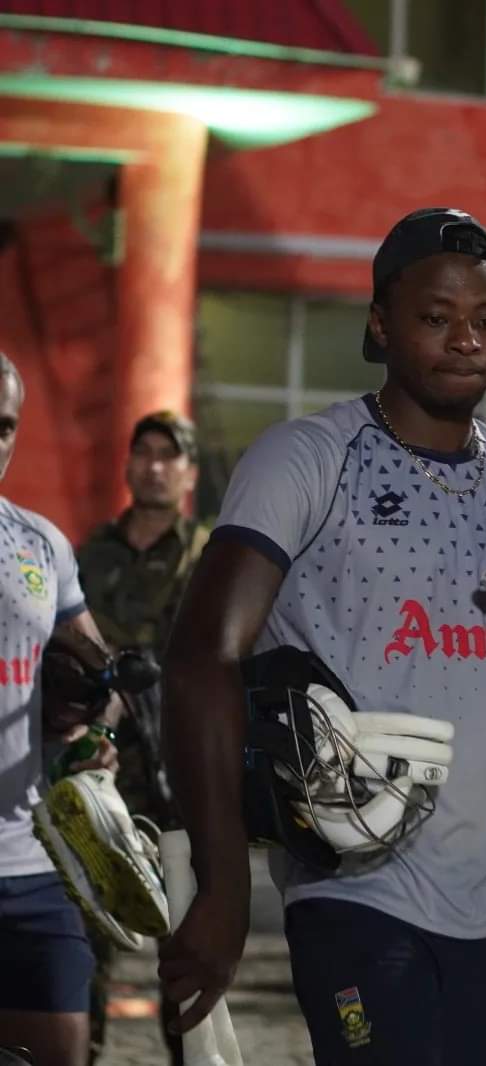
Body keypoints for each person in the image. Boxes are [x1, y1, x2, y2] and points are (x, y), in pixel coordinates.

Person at [159, 208, 486, 1065]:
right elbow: (199, 661)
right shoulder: (308, 460)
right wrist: (223, 888)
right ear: (380, 323)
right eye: (436, 317)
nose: (465, 341)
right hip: (355, 888)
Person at [0, 352, 119, 1066]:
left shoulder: (41, 544)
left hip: (27, 860)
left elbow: (97, 671)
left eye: (5, 425)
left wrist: (94, 727)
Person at [77, 409, 207, 1063]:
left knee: (183, 939)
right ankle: (84, 1049)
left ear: (188, 473)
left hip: (173, 769)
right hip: (94, 764)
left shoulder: (208, 553)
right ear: (128, 464)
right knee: (84, 929)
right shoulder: (90, 552)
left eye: (169, 454)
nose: (154, 465)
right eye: (144, 452)